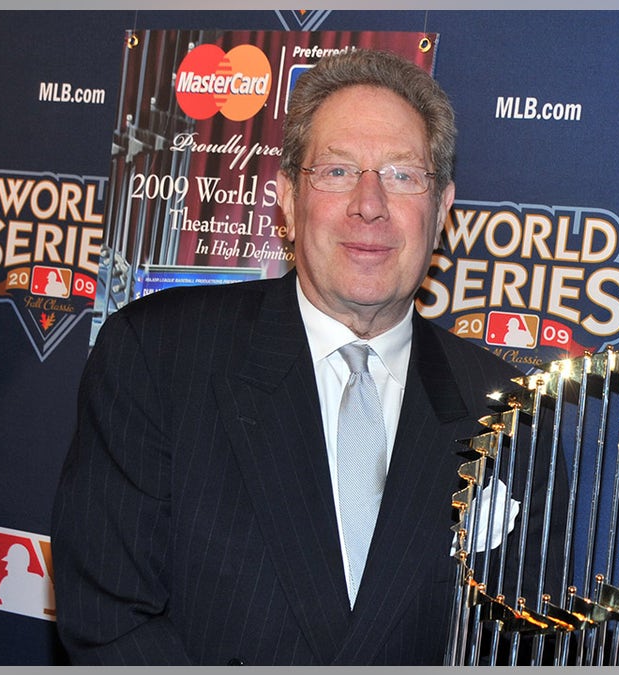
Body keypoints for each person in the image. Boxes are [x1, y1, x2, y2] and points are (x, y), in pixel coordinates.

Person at [50, 49, 556, 665]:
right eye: (337, 172)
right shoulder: (159, 355)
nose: (369, 204)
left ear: (442, 209)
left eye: (401, 175)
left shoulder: (507, 409)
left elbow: (523, 644)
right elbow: (111, 621)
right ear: (287, 200)